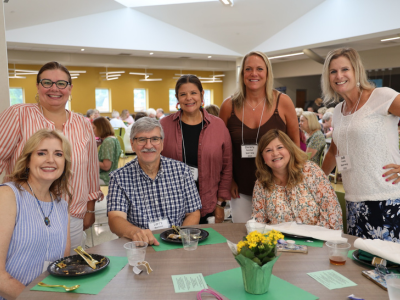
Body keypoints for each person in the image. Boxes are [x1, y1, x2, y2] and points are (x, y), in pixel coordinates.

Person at [0, 61, 103, 253]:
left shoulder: (83, 124)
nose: (54, 88)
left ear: (70, 88)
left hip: (73, 214)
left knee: (67, 271)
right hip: (25, 214)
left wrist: (90, 210)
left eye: (61, 83)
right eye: (47, 82)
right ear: (38, 86)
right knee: (27, 272)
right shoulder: (18, 115)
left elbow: (90, 171)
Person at [321, 48, 400, 242]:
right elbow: (334, 151)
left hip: (386, 199)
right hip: (354, 202)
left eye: (345, 69)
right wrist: (316, 180)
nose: (339, 76)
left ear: (356, 71)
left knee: (387, 269)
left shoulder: (381, 96)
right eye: (333, 71)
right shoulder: (338, 111)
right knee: (358, 267)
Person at [219, 51, 299, 223]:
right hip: (241, 188)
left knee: (279, 240)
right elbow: (222, 150)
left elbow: (295, 146)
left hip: (278, 186)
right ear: (242, 74)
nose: (254, 74)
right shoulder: (228, 106)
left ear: (267, 73)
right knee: (245, 238)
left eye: (259, 69)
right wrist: (230, 180)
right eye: (248, 69)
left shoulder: (283, 102)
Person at [0, 129, 72, 300]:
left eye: (58, 154)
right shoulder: (8, 196)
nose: (50, 160)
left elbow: (62, 266)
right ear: (27, 160)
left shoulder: (62, 206)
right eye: (41, 153)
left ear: (65, 163)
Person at [107, 117, 202, 245]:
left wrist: (180, 238)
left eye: (154, 139)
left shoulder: (182, 171)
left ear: (162, 143)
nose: (148, 145)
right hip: (140, 245)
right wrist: (136, 233)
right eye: (141, 140)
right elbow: (115, 219)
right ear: (132, 144)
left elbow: (193, 213)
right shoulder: (119, 178)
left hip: (176, 244)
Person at [161, 75, 232, 223]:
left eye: (193, 93)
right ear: (177, 98)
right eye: (183, 94)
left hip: (209, 206)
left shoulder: (218, 126)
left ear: (201, 94)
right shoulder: (164, 126)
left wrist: (221, 205)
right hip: (171, 207)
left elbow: (227, 167)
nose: (189, 98)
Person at [252, 130, 342, 230]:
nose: (275, 153)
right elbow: (258, 222)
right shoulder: (261, 184)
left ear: (289, 149)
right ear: (263, 157)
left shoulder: (311, 171)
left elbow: (333, 213)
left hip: (317, 241)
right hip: (279, 242)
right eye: (268, 150)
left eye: (280, 147)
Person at [92, 117, 121, 185]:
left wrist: (91, 160)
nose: (92, 130)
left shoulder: (107, 142)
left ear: (100, 128)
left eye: (94, 128)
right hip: (111, 176)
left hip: (105, 178)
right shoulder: (114, 139)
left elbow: (106, 166)